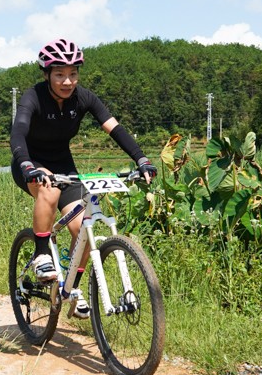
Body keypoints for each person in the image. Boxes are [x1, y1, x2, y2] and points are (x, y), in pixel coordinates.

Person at [10, 38, 157, 319]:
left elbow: (114, 128)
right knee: (49, 191)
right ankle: (42, 254)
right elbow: (18, 132)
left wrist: (141, 159)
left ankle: (71, 290)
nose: (68, 81)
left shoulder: (84, 98)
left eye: (73, 74)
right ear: (47, 74)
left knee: (83, 229)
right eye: (60, 74)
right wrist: (28, 164)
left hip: (63, 164)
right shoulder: (33, 97)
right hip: (30, 162)